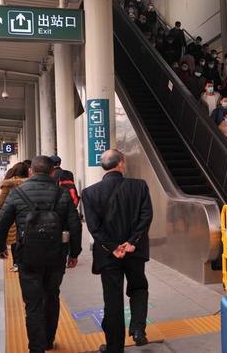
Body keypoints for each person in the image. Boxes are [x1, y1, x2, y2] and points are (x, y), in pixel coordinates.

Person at [0, 156, 82, 353]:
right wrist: (74, 253)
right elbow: (75, 226)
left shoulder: (17, 193)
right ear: (52, 173)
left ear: (31, 171)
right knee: (52, 297)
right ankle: (49, 341)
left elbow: (1, 222)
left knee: (33, 303)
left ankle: (37, 347)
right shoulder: (62, 194)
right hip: (56, 256)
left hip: (28, 257)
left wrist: (0, 247)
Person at [81, 150, 153, 352]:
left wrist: (113, 248)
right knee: (138, 288)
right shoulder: (139, 187)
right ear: (121, 163)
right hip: (134, 252)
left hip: (108, 255)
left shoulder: (90, 193)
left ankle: (114, 347)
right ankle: (138, 329)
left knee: (112, 299)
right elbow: (146, 216)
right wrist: (132, 242)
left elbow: (94, 228)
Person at [0, 162, 29, 272]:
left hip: (12, 217)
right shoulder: (30, 183)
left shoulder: (8, 184)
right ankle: (25, 262)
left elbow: (1, 202)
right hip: (28, 215)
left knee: (15, 241)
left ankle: (17, 264)